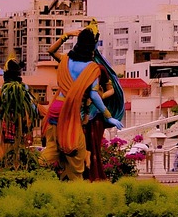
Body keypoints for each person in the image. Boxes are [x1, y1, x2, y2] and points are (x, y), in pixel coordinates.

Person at [46, 26, 124, 182]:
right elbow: (94, 95)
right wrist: (108, 116)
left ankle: (33, 171)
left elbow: (51, 51)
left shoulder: (65, 60)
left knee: (54, 151)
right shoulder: (91, 68)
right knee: (77, 154)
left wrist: (66, 35)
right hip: (71, 114)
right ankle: (77, 189)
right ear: (92, 48)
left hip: (55, 111)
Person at [0, 57, 43, 171]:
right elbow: (33, 109)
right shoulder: (24, 90)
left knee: (5, 159)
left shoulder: (1, 90)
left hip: (5, 132)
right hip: (21, 131)